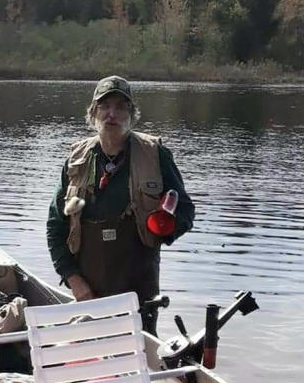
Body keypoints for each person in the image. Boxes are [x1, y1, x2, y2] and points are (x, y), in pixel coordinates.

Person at [46, 75, 194, 333]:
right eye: (104, 106)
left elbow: (185, 211)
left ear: (132, 114)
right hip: (88, 292)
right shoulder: (76, 160)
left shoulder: (155, 154)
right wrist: (74, 281)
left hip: (140, 294)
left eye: (120, 106)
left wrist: (166, 227)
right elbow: (55, 228)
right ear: (93, 113)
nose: (111, 114)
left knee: (139, 357)